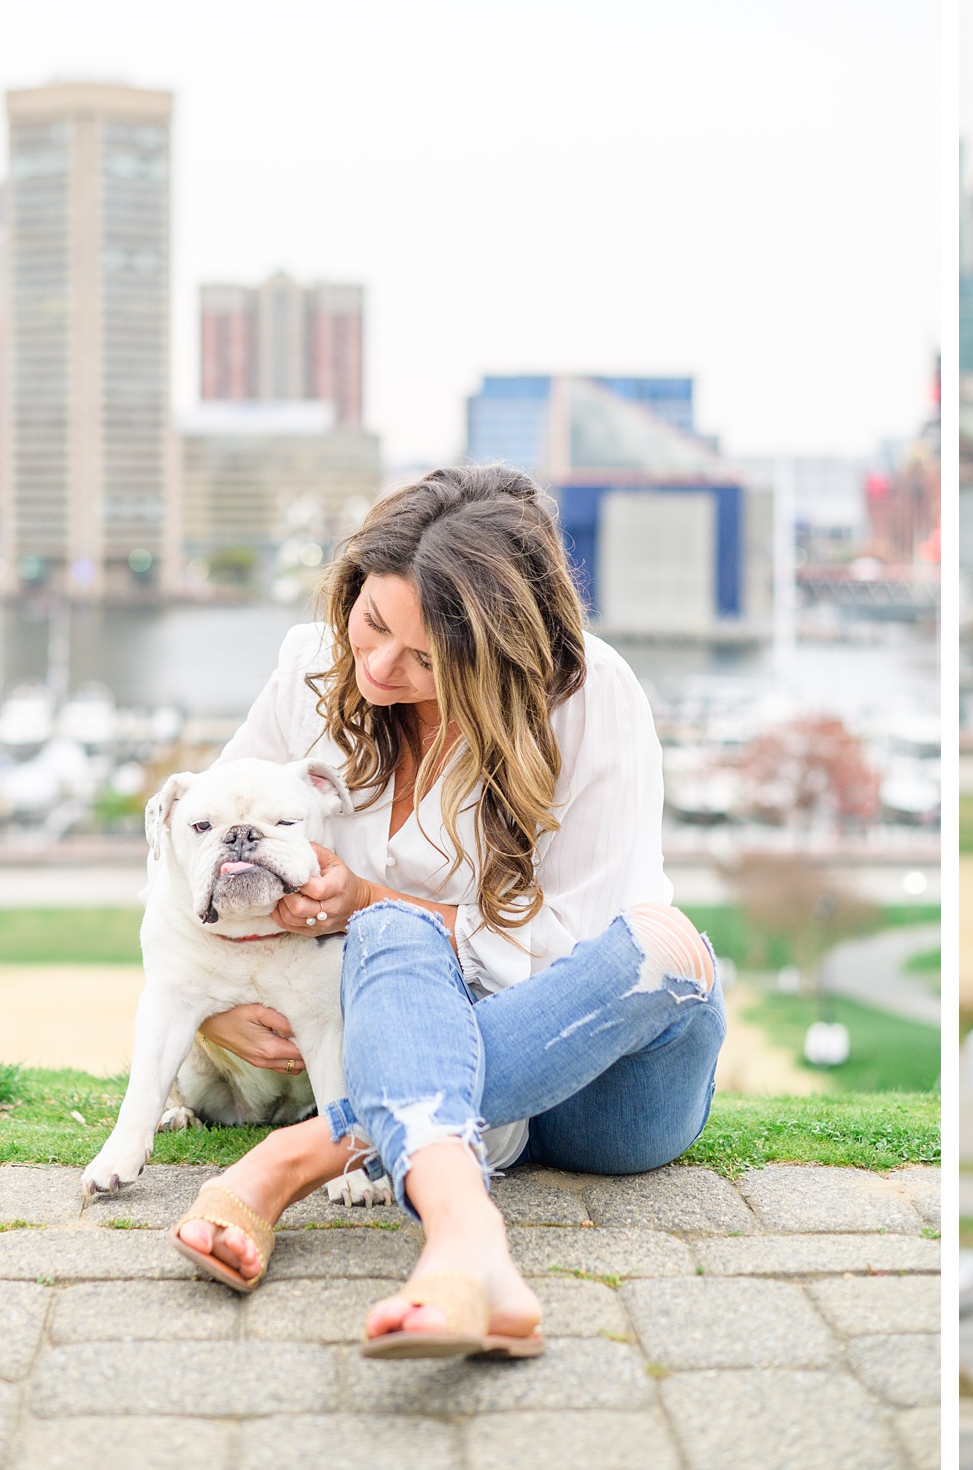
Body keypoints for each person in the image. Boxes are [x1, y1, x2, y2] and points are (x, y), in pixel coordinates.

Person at [164, 465, 725, 1358]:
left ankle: (296, 1159)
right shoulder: (311, 667)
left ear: (496, 654)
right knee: (391, 930)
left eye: (425, 659)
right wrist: (219, 1005)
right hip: (413, 1044)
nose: (379, 667)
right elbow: (192, 844)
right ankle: (468, 1244)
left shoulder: (591, 696)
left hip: (593, 1086)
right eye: (372, 623)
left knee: (662, 947)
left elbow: (568, 962)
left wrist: (372, 899)